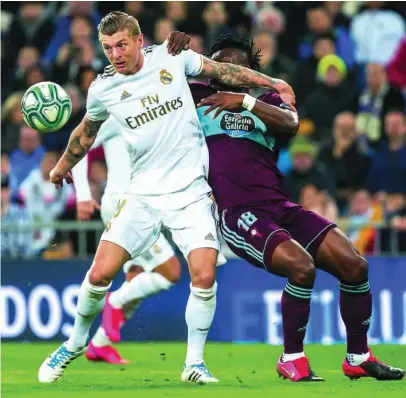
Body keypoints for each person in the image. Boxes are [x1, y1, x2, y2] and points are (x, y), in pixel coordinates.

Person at [38, 12, 294, 384]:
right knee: (99, 274)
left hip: (190, 192)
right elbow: (85, 133)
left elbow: (224, 73)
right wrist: (63, 167)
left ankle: (194, 364)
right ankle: (74, 344)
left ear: (139, 40)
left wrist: (273, 82)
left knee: (203, 276)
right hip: (141, 195)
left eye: (122, 45)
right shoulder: (103, 89)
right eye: (108, 48)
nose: (115, 54)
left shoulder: (172, 58)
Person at [191, 34, 404, 382]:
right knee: (301, 268)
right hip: (238, 212)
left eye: (235, 64)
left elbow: (290, 124)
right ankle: (292, 358)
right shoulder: (196, 96)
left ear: (250, 70)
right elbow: (159, 80)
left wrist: (244, 101)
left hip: (279, 204)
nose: (227, 70)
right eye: (220, 63)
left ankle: (358, 356)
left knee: (354, 265)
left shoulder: (268, 99)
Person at [72, 117, 181, 365]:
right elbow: (79, 145)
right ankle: (114, 301)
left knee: (137, 277)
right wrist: (83, 195)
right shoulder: (115, 112)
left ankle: (100, 345)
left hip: (139, 206)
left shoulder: (152, 111)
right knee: (170, 272)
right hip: (125, 206)